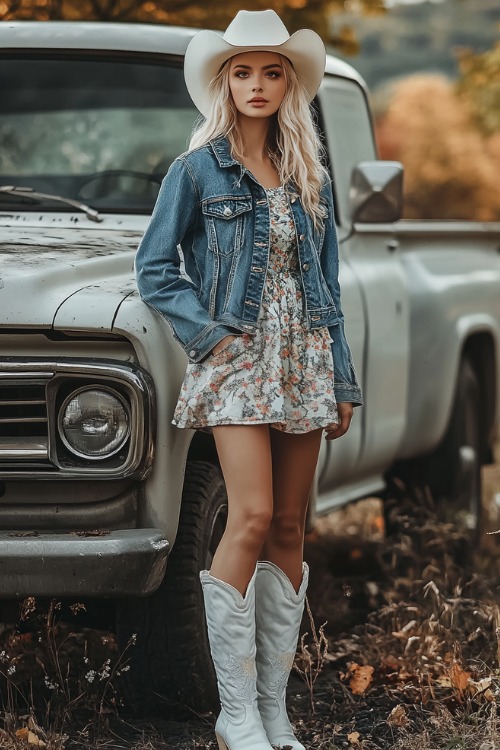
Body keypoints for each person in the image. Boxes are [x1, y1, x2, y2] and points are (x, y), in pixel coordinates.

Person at [135, 9, 362, 750]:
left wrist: (343, 380)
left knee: (293, 527)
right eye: (242, 72)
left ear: (287, 84)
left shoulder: (308, 175)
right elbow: (154, 269)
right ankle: (234, 714)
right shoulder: (196, 169)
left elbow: (324, 282)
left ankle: (271, 709)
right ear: (224, 83)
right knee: (253, 517)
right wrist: (208, 335)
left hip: (304, 363)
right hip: (236, 365)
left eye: (270, 72)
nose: (256, 85)